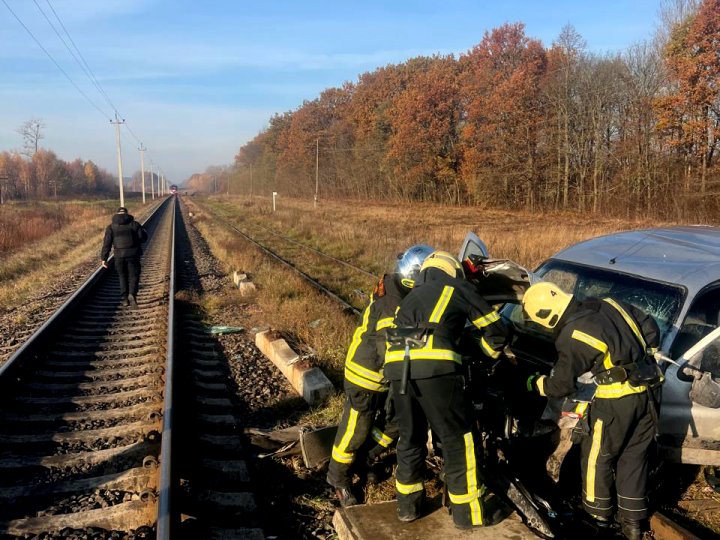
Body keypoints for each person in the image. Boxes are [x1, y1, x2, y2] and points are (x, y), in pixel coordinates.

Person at [522, 282, 662, 540]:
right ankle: (633, 527)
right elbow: (650, 326)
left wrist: (534, 383)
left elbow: (561, 385)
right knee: (634, 458)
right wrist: (644, 353)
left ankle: (597, 521)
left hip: (616, 401)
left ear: (546, 316)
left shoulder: (572, 334)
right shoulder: (608, 304)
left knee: (597, 458)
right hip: (650, 391)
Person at [384, 250, 509, 529]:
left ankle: (408, 507)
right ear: (452, 269)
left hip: (396, 369)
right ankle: (469, 515)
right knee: (458, 439)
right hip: (435, 372)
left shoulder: (414, 295)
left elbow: (412, 334)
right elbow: (497, 331)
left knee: (410, 437)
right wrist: (486, 356)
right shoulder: (457, 286)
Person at [327, 244, 435, 507]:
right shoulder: (392, 303)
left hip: (386, 377)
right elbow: (388, 344)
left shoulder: (402, 293)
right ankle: (338, 478)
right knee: (355, 429)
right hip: (365, 375)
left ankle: (366, 460)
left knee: (395, 421)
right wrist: (428, 339)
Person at [100, 207, 148, 308]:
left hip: (119, 256)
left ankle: (125, 299)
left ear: (117, 214)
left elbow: (107, 244)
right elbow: (143, 238)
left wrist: (104, 258)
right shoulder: (135, 224)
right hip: (133, 255)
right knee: (134, 275)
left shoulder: (111, 227)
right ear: (127, 214)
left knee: (122, 276)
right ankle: (132, 294)